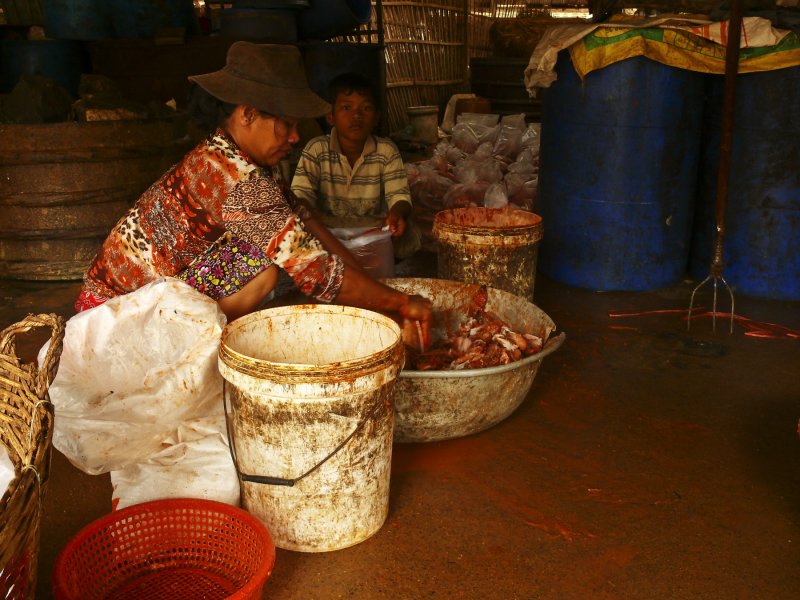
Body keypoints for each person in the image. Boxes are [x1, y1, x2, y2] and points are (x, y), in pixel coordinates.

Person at [75, 42, 431, 329]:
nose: (294, 137)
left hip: (121, 299)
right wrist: (401, 303)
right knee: (265, 262)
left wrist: (363, 275)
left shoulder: (235, 155)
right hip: (114, 318)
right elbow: (317, 273)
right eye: (287, 125)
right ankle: (191, 346)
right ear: (247, 114)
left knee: (274, 252)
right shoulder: (236, 179)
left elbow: (306, 220)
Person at [290, 71, 421, 258]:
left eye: (366, 108)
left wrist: (397, 213)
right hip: (329, 235)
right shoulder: (316, 150)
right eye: (346, 107)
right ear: (330, 116)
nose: (357, 115)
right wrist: (308, 214)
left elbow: (399, 195)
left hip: (373, 233)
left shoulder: (386, 151)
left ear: (376, 118)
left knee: (408, 231)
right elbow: (300, 195)